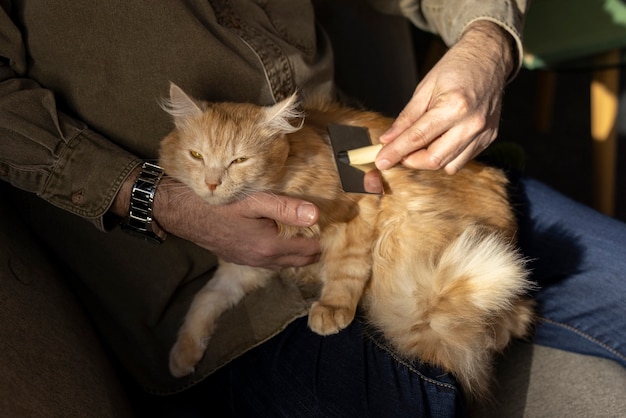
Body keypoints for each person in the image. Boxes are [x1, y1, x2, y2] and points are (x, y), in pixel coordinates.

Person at [0, 1, 624, 416]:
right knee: (414, 390)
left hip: (348, 139)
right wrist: (159, 200)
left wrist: (486, 44)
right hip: (167, 235)